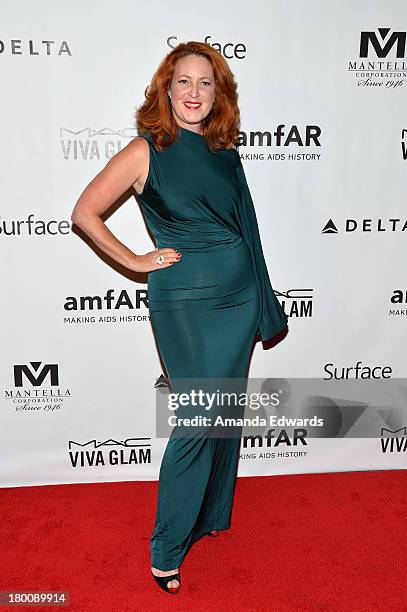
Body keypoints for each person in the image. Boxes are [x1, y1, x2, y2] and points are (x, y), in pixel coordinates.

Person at [71, 41, 288, 594]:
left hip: (239, 300)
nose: (194, 92)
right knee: (197, 419)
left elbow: (250, 233)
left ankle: (206, 518)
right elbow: (84, 213)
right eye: (184, 82)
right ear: (166, 91)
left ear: (219, 95)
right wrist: (137, 262)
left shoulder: (225, 151)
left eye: (205, 83)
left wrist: (265, 302)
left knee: (223, 415)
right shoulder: (148, 151)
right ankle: (165, 547)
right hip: (187, 304)